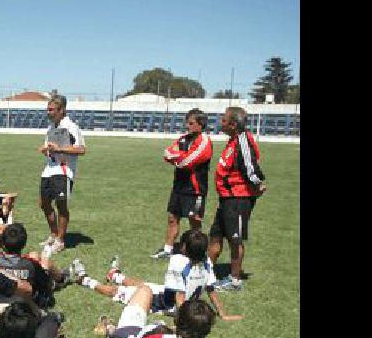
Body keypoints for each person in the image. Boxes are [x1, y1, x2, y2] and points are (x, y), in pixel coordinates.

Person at [70, 230, 243, 322]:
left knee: (116, 292)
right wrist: (222, 313)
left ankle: (83, 279)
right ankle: (115, 274)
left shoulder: (178, 262)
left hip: (160, 303)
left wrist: (182, 323)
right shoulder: (206, 262)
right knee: (144, 284)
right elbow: (211, 290)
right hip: (166, 295)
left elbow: (180, 299)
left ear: (184, 248)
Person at [209, 107, 267, 290]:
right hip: (227, 198)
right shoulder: (233, 140)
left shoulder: (243, 141)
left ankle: (234, 281)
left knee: (235, 239)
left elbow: (250, 168)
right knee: (215, 236)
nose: (221, 122)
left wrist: (257, 184)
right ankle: (204, 273)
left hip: (238, 199)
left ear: (234, 125)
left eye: (224, 120)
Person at [151, 109, 213, 259]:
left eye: (191, 123)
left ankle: (197, 252)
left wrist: (177, 157)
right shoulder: (184, 138)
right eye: (187, 122)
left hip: (195, 189)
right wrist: (178, 157)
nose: (187, 126)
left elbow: (188, 162)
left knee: (195, 222)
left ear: (200, 124)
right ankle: (168, 249)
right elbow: (167, 153)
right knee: (172, 218)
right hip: (179, 187)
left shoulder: (204, 141)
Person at [37, 94, 86, 254]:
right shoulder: (51, 127)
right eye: (48, 109)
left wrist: (59, 149)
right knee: (44, 204)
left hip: (63, 171)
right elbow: (49, 148)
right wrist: (46, 150)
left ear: (61, 110)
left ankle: (60, 240)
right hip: (49, 170)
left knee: (61, 205)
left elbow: (81, 149)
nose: (48, 113)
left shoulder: (71, 127)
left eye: (51, 110)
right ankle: (53, 234)